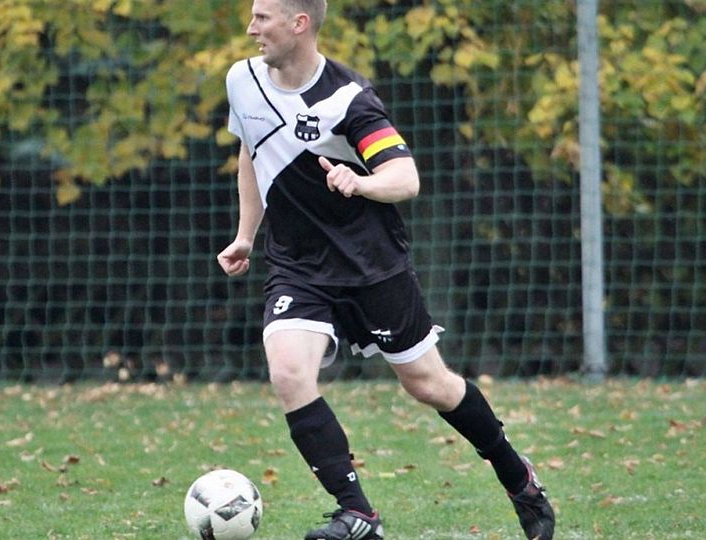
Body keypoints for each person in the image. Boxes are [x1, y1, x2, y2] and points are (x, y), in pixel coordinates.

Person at [216, 1, 556, 539]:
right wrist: (245, 235)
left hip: (371, 265)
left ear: (298, 23)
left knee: (430, 384)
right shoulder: (242, 79)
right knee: (287, 372)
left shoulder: (348, 99)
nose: (251, 28)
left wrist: (361, 183)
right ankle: (358, 513)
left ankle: (519, 478)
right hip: (297, 266)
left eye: (263, 18)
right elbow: (251, 155)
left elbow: (405, 176)